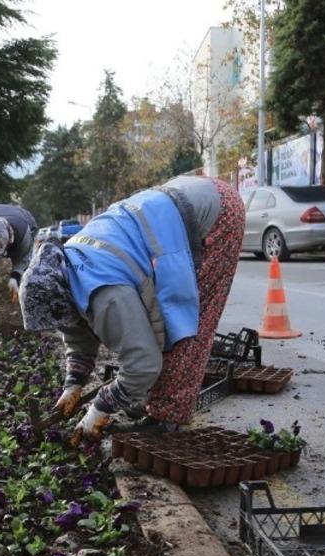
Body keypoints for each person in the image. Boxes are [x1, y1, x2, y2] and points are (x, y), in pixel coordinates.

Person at [18, 175, 246, 442]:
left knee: (187, 326)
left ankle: (167, 419)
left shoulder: (107, 296)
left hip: (216, 212)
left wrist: (101, 407)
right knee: (152, 330)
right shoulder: (64, 267)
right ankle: (149, 398)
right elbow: (75, 327)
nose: (61, 323)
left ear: (59, 299)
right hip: (179, 196)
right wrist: (73, 384)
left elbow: (144, 364)